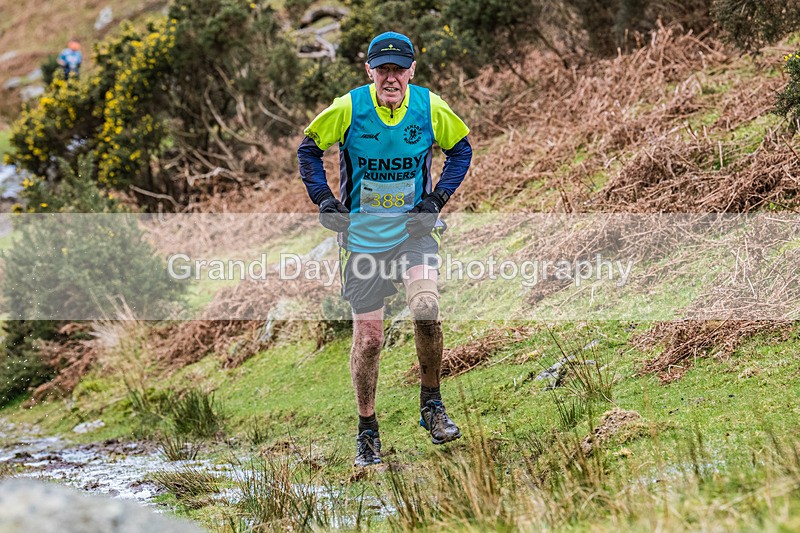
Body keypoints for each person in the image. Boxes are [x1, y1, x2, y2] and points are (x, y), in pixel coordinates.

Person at [297, 31, 473, 467]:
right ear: (369, 71)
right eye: (383, 68)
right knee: (371, 340)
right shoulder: (348, 108)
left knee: (427, 308)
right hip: (362, 241)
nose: (390, 77)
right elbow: (308, 151)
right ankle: (368, 431)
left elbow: (461, 151)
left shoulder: (430, 108)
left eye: (399, 68)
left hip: (413, 233)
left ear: (412, 70)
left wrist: (435, 201)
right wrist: (325, 201)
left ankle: (432, 406)